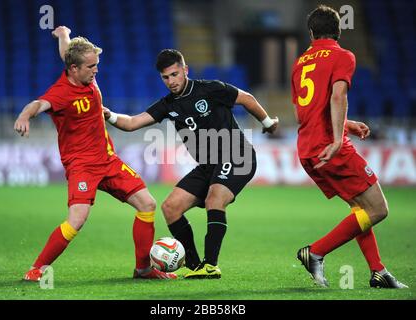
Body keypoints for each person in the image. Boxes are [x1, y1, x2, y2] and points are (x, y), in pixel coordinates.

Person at [14, 26, 176, 281]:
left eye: (96, 65)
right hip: (82, 166)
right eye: (91, 66)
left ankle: (143, 269)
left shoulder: (85, 75)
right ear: (74, 69)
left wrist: (63, 35)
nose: (96, 70)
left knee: (147, 204)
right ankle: (38, 268)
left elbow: (68, 53)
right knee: (77, 219)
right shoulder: (60, 93)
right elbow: (38, 104)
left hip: (108, 159)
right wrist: (25, 115)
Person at [104, 49, 278, 279]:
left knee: (214, 198)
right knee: (170, 208)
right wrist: (108, 114)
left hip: (237, 155)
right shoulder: (167, 104)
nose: (171, 81)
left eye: (175, 74)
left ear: (185, 70)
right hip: (208, 165)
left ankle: (211, 265)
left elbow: (247, 98)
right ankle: (194, 266)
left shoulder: (210, 89)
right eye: (166, 77)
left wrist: (267, 122)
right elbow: (133, 123)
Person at [292, 5, 407, 288]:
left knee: (360, 209)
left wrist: (347, 124)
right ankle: (315, 252)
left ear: (311, 33)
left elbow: (301, 114)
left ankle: (378, 271)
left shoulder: (300, 63)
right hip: (331, 147)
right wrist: (335, 139)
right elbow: (337, 95)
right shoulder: (343, 56)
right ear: (339, 31)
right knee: (378, 209)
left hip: (307, 148)